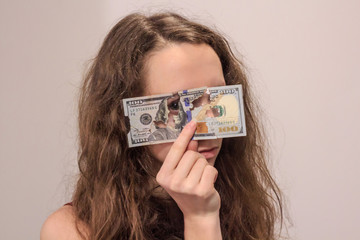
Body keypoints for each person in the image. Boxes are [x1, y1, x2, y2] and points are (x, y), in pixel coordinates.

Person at [41, 12, 284, 240]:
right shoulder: (73, 230)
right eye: (177, 106)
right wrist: (200, 218)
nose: (206, 126)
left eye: (217, 100)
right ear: (123, 118)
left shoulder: (241, 207)